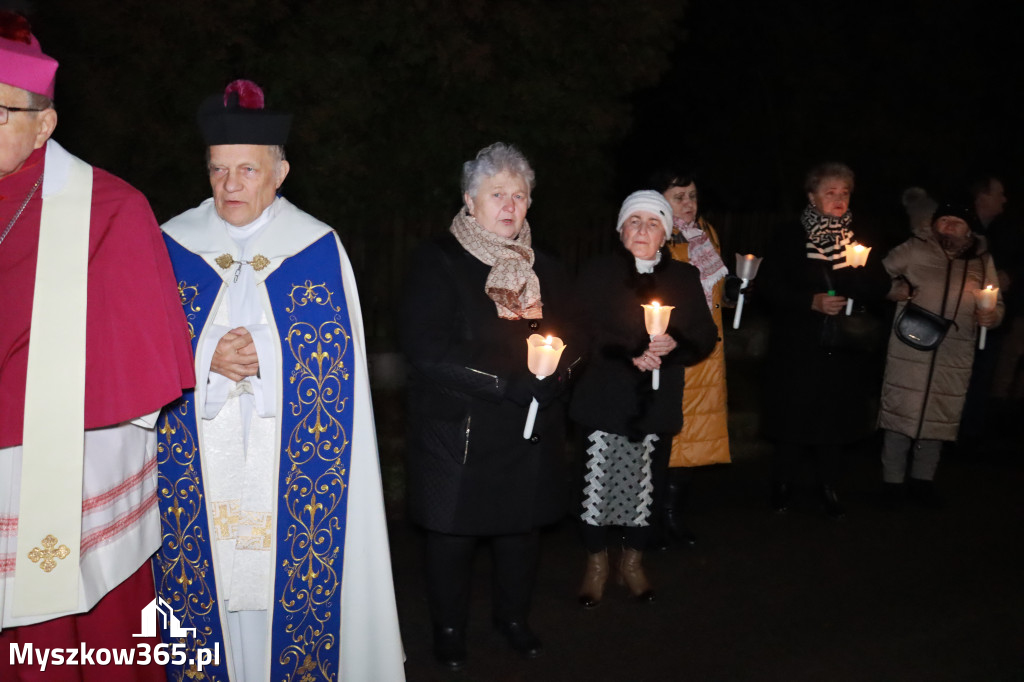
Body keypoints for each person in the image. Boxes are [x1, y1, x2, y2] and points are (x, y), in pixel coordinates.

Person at [154, 80, 405, 681]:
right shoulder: (172, 243)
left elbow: (337, 366)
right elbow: (144, 345)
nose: (231, 185)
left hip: (286, 470)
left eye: (247, 169)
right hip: (202, 468)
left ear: (280, 171)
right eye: (219, 170)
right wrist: (206, 355)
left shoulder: (316, 247)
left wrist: (268, 353)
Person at [0, 13, 193, 680]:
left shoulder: (109, 208)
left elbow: (137, 370)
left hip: (51, 472)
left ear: (44, 123)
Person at [400, 142, 580, 669]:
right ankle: (450, 628)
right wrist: (507, 382)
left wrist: (558, 372)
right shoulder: (439, 260)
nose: (509, 205)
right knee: (453, 535)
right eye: (496, 193)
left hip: (530, 425)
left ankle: (513, 619)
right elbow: (427, 346)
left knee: (520, 532)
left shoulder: (543, 265)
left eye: (519, 195)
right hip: (461, 428)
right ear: (469, 200)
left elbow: (576, 332)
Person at [570, 190, 716, 607]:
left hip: (656, 403)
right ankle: (596, 564)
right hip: (604, 397)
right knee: (593, 488)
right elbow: (577, 328)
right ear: (620, 230)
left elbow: (705, 336)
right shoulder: (598, 272)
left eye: (653, 222)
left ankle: (632, 563)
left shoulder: (684, 278)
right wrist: (629, 348)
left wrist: (676, 343)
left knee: (644, 489)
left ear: (666, 233)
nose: (642, 230)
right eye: (634, 221)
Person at [758, 162, 891, 517]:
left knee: (836, 416)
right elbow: (769, 286)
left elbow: (880, 286)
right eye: (830, 192)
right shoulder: (789, 235)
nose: (838, 199)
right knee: (793, 414)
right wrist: (809, 301)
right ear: (812, 196)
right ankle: (782, 483)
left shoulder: (860, 237)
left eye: (844, 192)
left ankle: (829, 485)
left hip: (844, 345)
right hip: (799, 343)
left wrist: (859, 279)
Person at [879, 202, 1003, 506]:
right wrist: (894, 288)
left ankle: (923, 482)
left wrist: (992, 316)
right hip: (909, 346)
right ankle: (892, 484)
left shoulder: (981, 260)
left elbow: (995, 302)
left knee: (939, 417)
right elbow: (876, 275)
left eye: (956, 221)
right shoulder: (915, 248)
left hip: (954, 352)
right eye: (943, 220)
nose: (948, 226)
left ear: (969, 228)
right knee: (900, 415)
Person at [649, 168, 732, 549]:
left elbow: (714, 291)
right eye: (678, 195)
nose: (688, 203)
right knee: (663, 434)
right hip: (672, 350)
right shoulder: (653, 236)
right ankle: (648, 518)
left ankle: (672, 514)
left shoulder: (706, 234)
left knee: (694, 438)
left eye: (693, 195)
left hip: (706, 352)